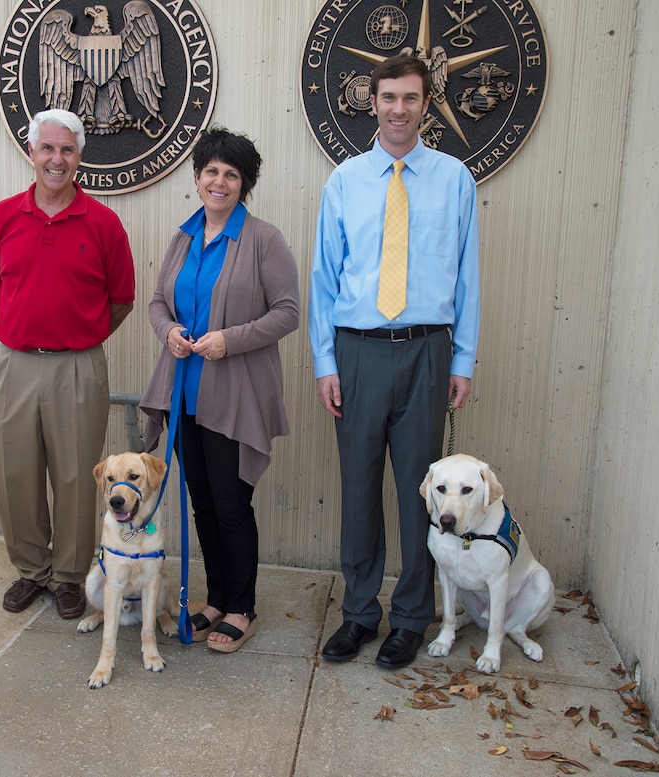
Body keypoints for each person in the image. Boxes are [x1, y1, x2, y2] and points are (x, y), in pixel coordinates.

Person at [309, 55, 480, 668]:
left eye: (410, 98)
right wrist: (325, 362)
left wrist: (462, 358)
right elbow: (324, 281)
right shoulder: (345, 181)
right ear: (373, 102)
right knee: (358, 489)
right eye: (388, 97)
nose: (399, 108)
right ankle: (359, 613)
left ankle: (411, 617)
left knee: (422, 494)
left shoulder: (455, 178)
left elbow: (467, 277)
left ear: (426, 104)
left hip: (428, 352)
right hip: (357, 352)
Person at [140, 127, 299, 653]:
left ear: (244, 184)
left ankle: (242, 607)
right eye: (211, 170)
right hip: (185, 393)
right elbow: (158, 303)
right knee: (202, 503)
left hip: (233, 397)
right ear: (197, 176)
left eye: (232, 174)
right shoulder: (183, 236)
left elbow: (288, 313)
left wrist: (229, 341)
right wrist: (169, 333)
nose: (219, 181)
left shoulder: (264, 240)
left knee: (232, 505)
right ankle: (217, 597)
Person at [0, 109, 136, 619]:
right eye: (47, 148)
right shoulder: (3, 217)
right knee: (17, 473)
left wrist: (79, 338)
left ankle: (68, 575)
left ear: (79, 157)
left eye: (66, 150)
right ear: (31, 153)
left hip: (77, 367)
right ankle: (31, 569)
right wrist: (32, 329)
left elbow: (121, 300)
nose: (56, 159)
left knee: (74, 477)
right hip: (16, 364)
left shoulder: (104, 223)